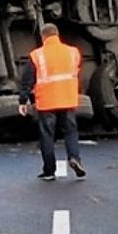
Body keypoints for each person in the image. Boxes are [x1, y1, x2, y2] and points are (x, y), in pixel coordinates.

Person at [18, 23, 87, 181]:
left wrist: (23, 100)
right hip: (68, 98)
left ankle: (49, 171)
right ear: (57, 34)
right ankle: (74, 157)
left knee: (47, 135)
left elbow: (27, 79)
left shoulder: (37, 55)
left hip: (47, 101)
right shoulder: (73, 52)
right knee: (70, 131)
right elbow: (77, 70)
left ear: (43, 37)